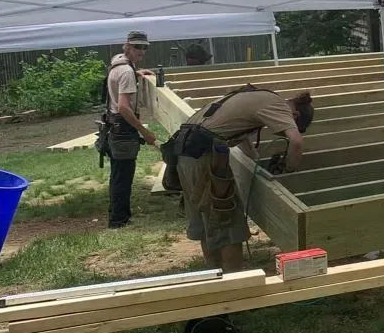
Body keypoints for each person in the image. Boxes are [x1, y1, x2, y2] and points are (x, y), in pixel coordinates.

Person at [169, 86, 314, 272]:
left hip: (186, 152)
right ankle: (234, 278)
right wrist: (289, 169)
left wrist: (255, 163)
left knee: (206, 215)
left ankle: (213, 272)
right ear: (295, 114)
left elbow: (240, 137)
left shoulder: (260, 97)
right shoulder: (280, 107)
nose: (279, 132)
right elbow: (296, 142)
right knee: (227, 218)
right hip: (205, 156)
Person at [105, 31, 157, 229]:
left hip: (113, 127)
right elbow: (124, 107)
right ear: (127, 45)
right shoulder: (126, 71)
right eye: (137, 47)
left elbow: (122, 74)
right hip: (123, 129)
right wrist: (145, 131)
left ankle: (119, 217)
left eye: (144, 47)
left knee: (118, 174)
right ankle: (118, 221)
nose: (141, 51)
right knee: (123, 177)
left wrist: (137, 72)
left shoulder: (118, 62)